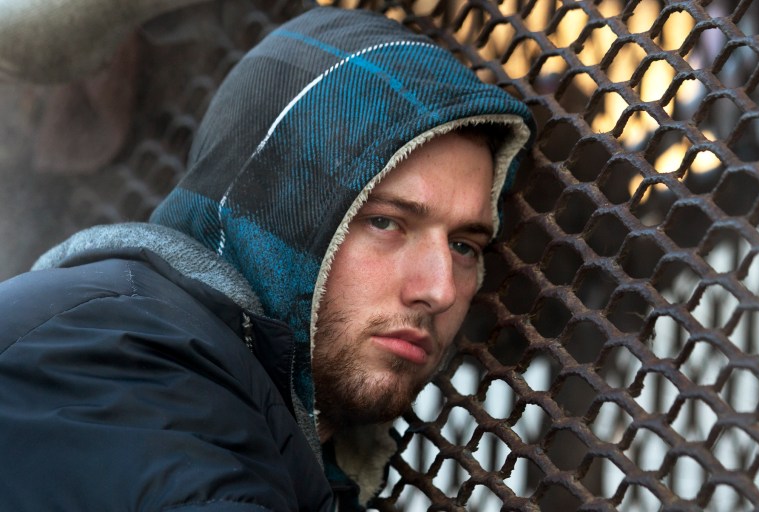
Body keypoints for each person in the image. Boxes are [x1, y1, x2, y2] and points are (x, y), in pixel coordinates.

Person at [0, 6, 533, 511]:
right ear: (279, 207)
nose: (439, 289)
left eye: (464, 245)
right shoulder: (129, 363)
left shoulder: (238, 398)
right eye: (386, 222)